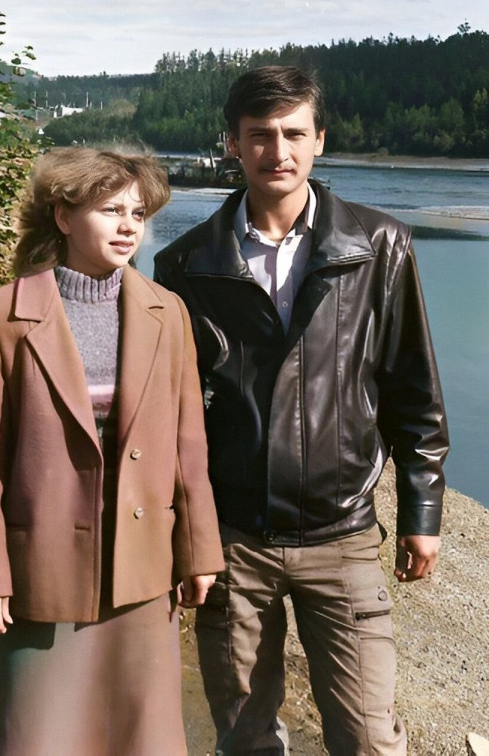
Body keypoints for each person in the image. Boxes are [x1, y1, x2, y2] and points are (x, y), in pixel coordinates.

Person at [153, 66, 449, 756]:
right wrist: (181, 532)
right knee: (246, 738)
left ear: (320, 139)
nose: (277, 151)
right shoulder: (185, 264)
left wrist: (422, 512)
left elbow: (413, 389)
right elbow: (170, 416)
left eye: (293, 133)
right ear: (232, 144)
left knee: (368, 738)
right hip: (234, 540)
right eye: (260, 135)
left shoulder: (379, 246)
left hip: (342, 532)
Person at [0, 146, 224, 756]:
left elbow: (189, 447)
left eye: (137, 212)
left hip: (142, 566)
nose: (129, 227)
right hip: (39, 569)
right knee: (36, 734)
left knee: (139, 734)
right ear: (63, 216)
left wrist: (199, 550)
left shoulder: (168, 313)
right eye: (110, 210)